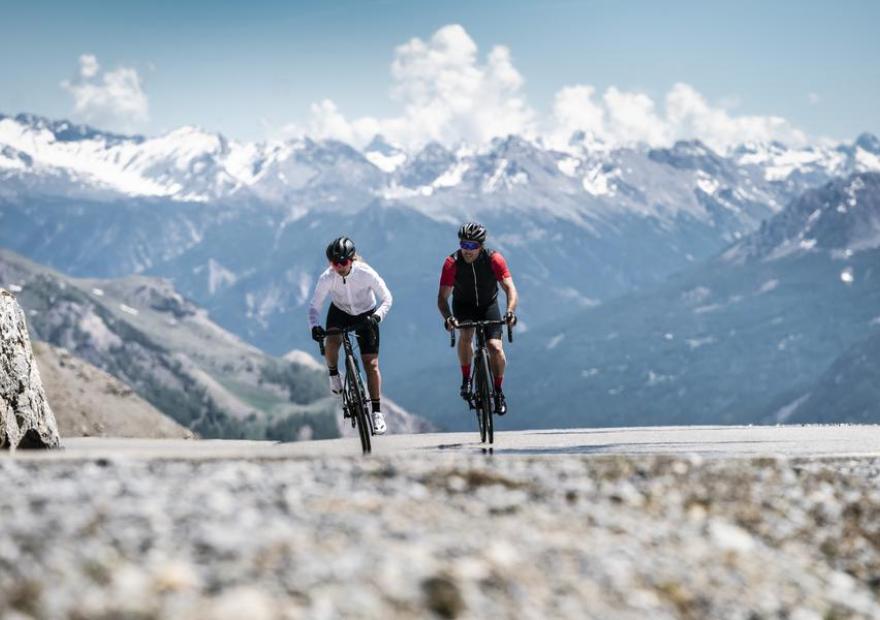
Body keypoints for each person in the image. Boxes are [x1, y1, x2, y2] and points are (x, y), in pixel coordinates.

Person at [308, 236, 393, 435]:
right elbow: (314, 306)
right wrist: (314, 326)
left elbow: (387, 298)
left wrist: (377, 317)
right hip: (340, 312)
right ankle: (333, 373)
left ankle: (377, 413)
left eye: (343, 262)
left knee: (371, 365)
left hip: (367, 314)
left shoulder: (366, 273)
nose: (339, 267)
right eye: (334, 263)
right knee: (331, 340)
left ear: (352, 259)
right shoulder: (327, 278)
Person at [437, 222, 518, 414]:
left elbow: (510, 288)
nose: (467, 250)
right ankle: (466, 379)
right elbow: (442, 298)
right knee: (466, 335)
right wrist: (448, 317)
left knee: (495, 347)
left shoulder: (494, 259)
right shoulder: (452, 263)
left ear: (481, 246)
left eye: (472, 246)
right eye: (464, 244)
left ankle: (498, 392)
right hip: (463, 306)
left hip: (488, 305)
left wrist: (510, 311)